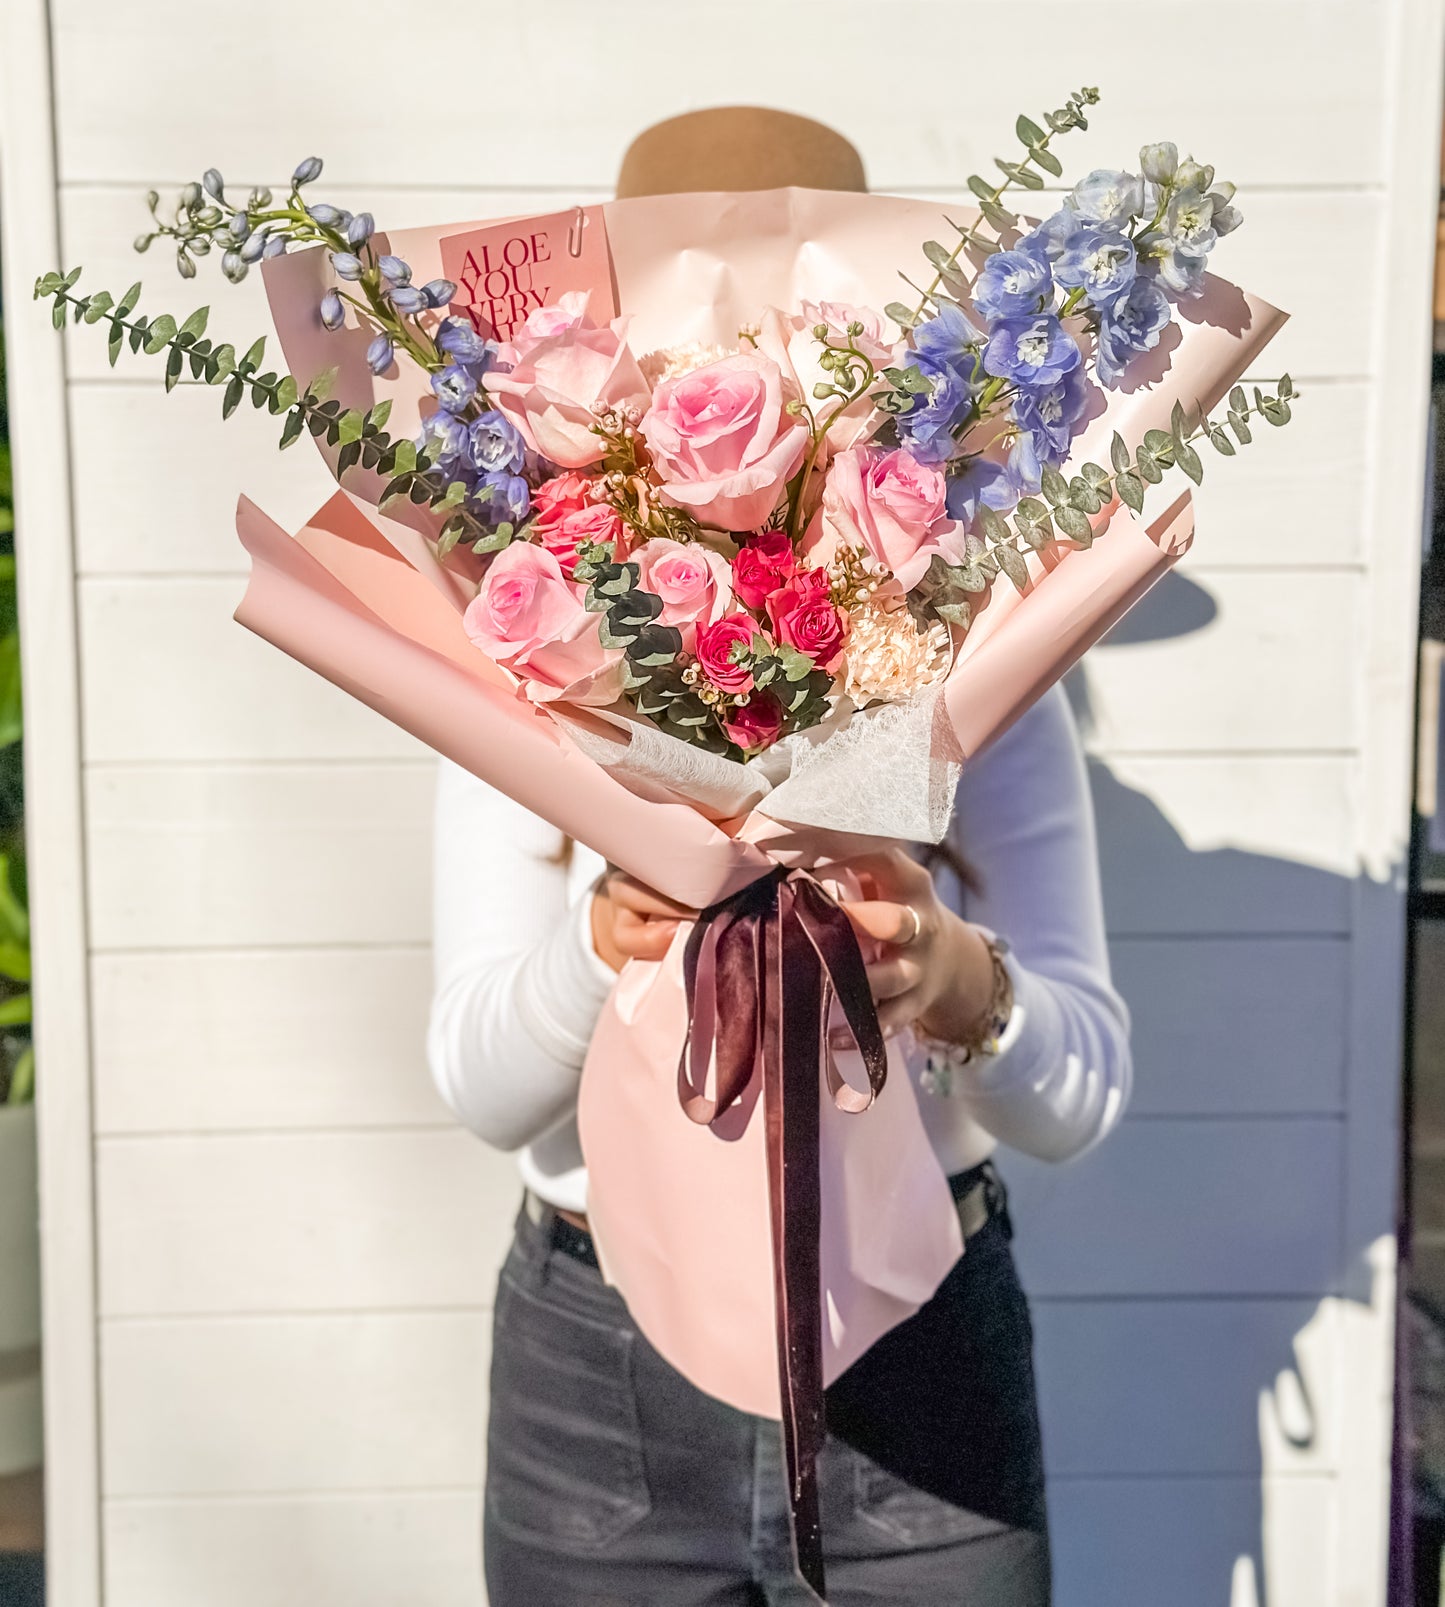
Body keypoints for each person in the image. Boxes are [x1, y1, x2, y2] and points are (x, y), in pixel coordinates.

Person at [427, 110, 1132, 1607]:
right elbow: (481, 1086)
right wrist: (598, 942)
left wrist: (957, 981)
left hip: (921, 1345)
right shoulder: (519, 655)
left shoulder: (985, 677)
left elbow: (1080, 1097)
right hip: (596, 1368)